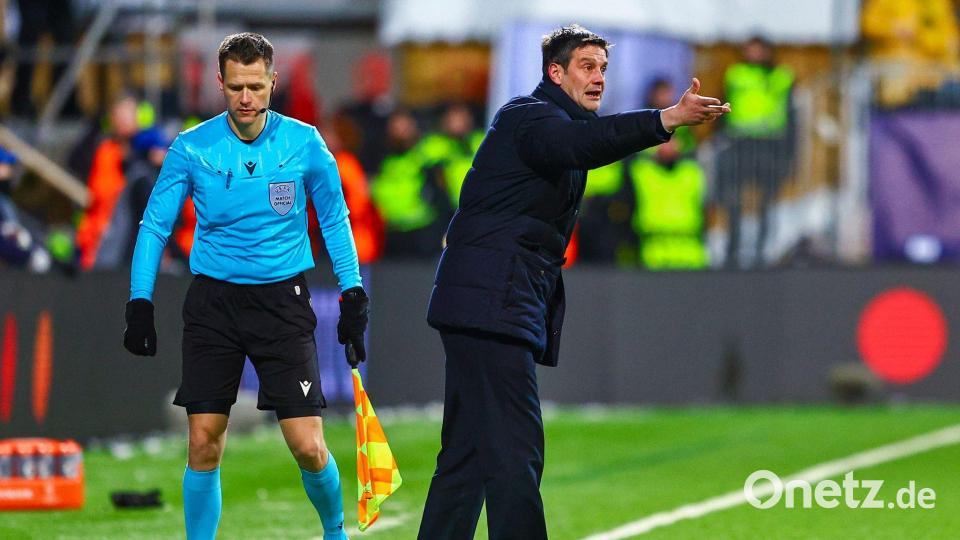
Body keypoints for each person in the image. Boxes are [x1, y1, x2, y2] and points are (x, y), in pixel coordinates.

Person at [418, 24, 729, 539]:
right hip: (491, 299)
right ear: (554, 72)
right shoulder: (529, 117)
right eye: (587, 66)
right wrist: (666, 119)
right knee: (516, 449)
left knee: (469, 453)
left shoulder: (553, 124)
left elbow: (585, 147)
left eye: (603, 68)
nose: (599, 78)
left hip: (485, 298)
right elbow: (585, 144)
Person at [121, 33, 367, 540]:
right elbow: (153, 227)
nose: (246, 98)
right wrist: (139, 301)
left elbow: (336, 218)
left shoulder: (305, 143)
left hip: (282, 303)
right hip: (214, 304)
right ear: (220, 84)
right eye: (236, 87)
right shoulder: (192, 147)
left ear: (274, 82)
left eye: (256, 86)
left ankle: (336, 533)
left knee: (307, 445)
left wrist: (353, 292)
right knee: (204, 442)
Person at [716, 36, 795, 269]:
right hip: (739, 143)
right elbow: (723, 104)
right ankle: (733, 250)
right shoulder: (736, 74)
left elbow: (792, 116)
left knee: (766, 203)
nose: (755, 54)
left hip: (769, 145)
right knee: (734, 201)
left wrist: (789, 152)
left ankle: (762, 252)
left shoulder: (781, 76)